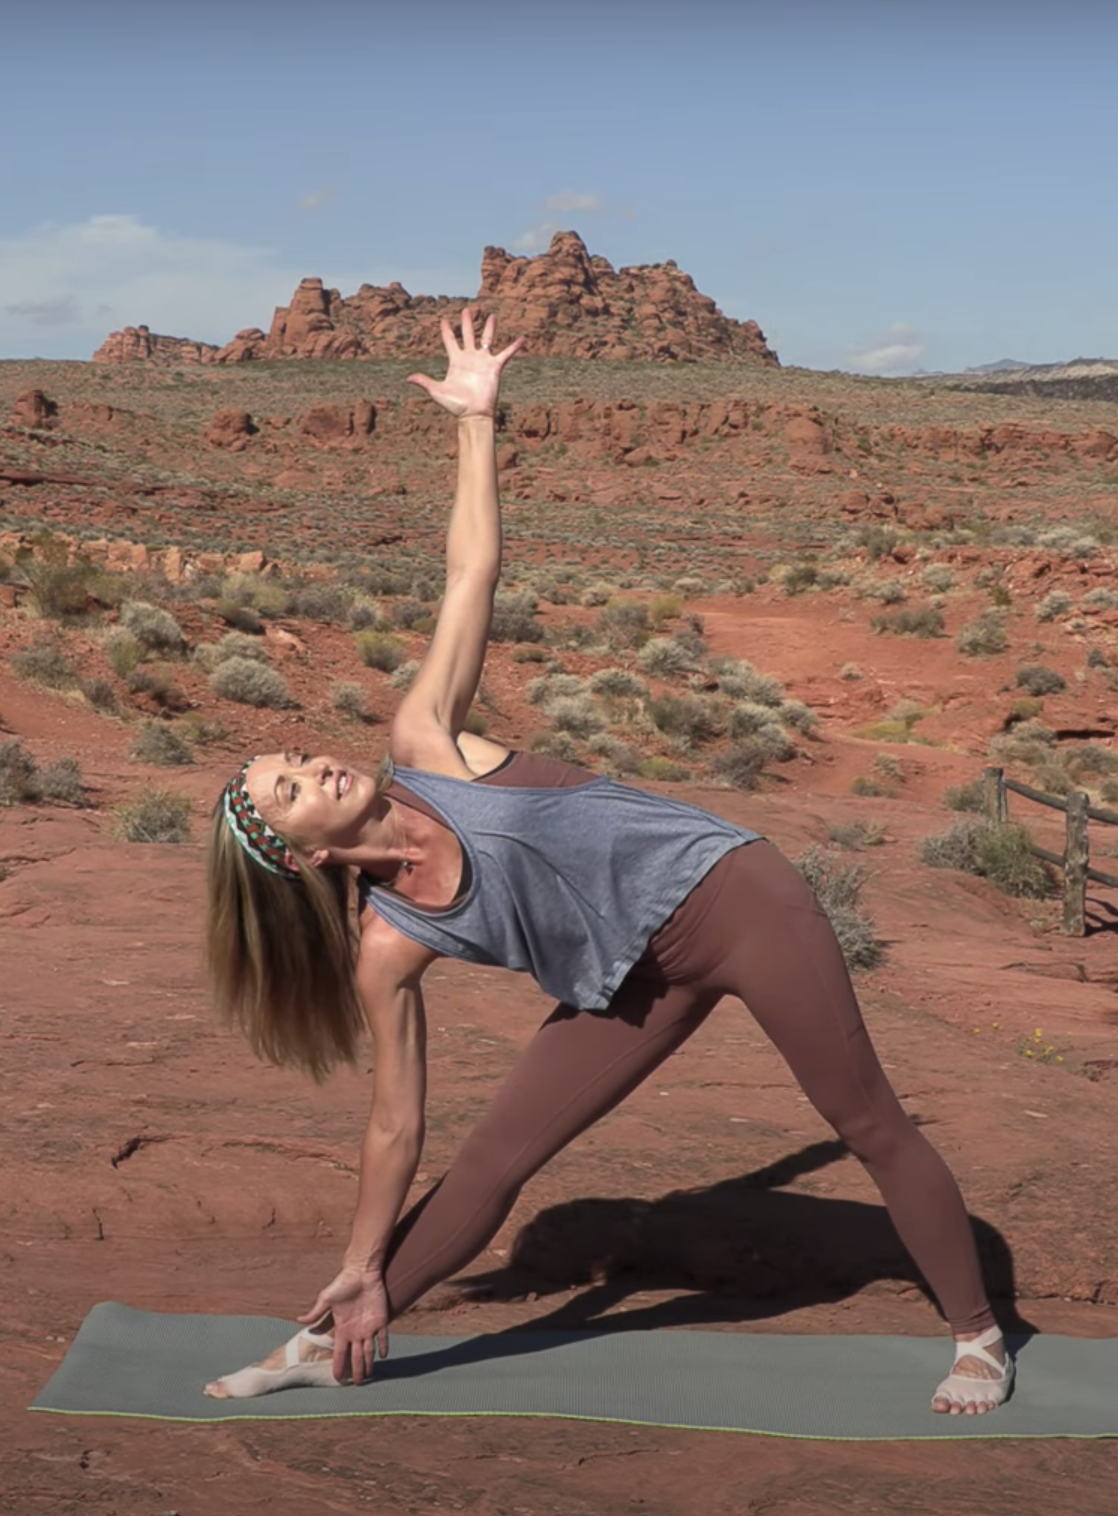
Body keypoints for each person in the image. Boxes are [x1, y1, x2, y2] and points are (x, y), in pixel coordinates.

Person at [197, 308, 1012, 1414]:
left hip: (735, 897)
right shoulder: (389, 946)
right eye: (288, 789)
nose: (314, 767)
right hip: (631, 980)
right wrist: (362, 1254)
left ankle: (979, 1334)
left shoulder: (425, 744)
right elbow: (398, 1123)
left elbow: (469, 573)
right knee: (492, 1161)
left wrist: (478, 425)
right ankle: (345, 1320)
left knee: (864, 1118)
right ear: (295, 860)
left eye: (297, 755)